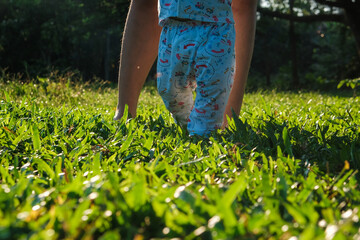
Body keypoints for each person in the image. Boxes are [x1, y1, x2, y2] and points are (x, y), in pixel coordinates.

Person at [114, 0, 257, 135]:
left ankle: (209, 129)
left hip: (216, 29)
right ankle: (188, 123)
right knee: (167, 90)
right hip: (172, 28)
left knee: (214, 88)